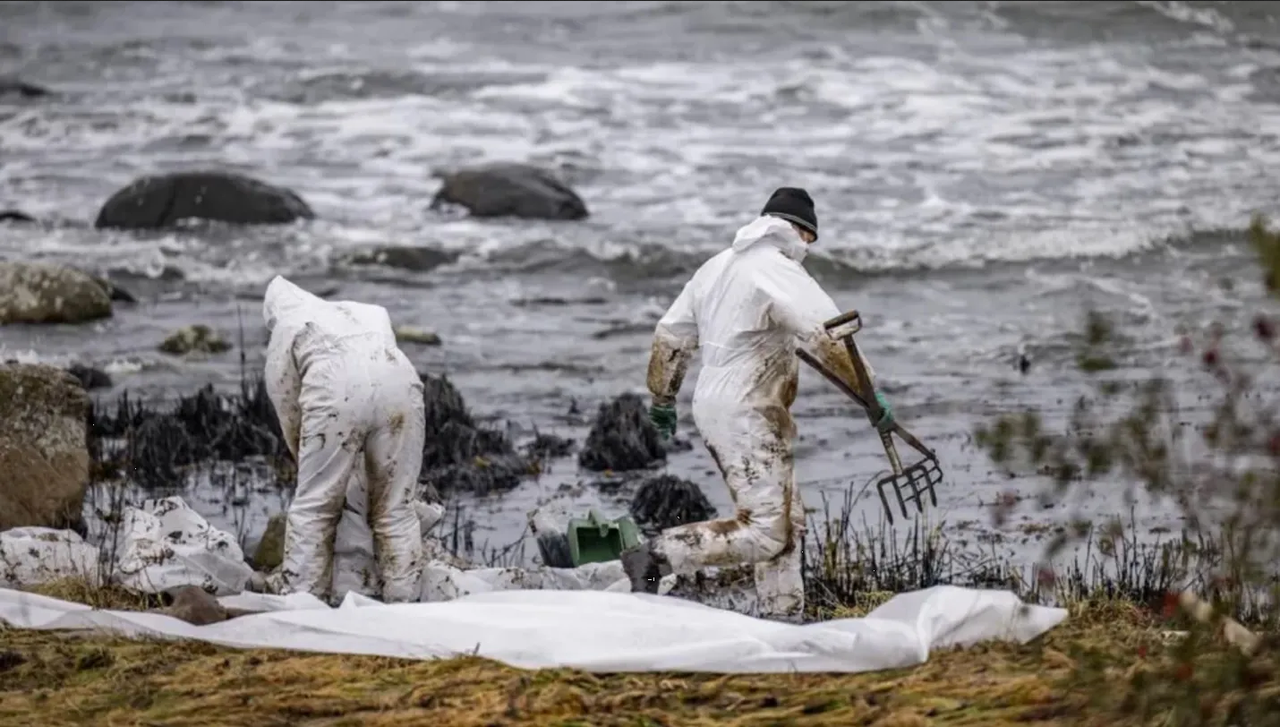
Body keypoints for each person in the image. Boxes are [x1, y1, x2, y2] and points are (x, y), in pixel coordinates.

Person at [621, 187, 895, 622]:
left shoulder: (716, 267)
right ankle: (656, 555)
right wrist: (870, 392)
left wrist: (664, 396)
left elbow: (671, 334)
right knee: (767, 531)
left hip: (719, 405)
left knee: (789, 522)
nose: (807, 248)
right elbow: (829, 333)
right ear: (802, 232)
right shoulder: (778, 270)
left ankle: (783, 618)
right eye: (809, 240)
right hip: (744, 410)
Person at [261, 275, 427, 604]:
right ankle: (405, 602)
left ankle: (305, 602)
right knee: (396, 508)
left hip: (335, 388)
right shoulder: (367, 312)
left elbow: (289, 407)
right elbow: (381, 361)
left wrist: (308, 460)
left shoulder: (288, 326)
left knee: (315, 507)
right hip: (402, 385)